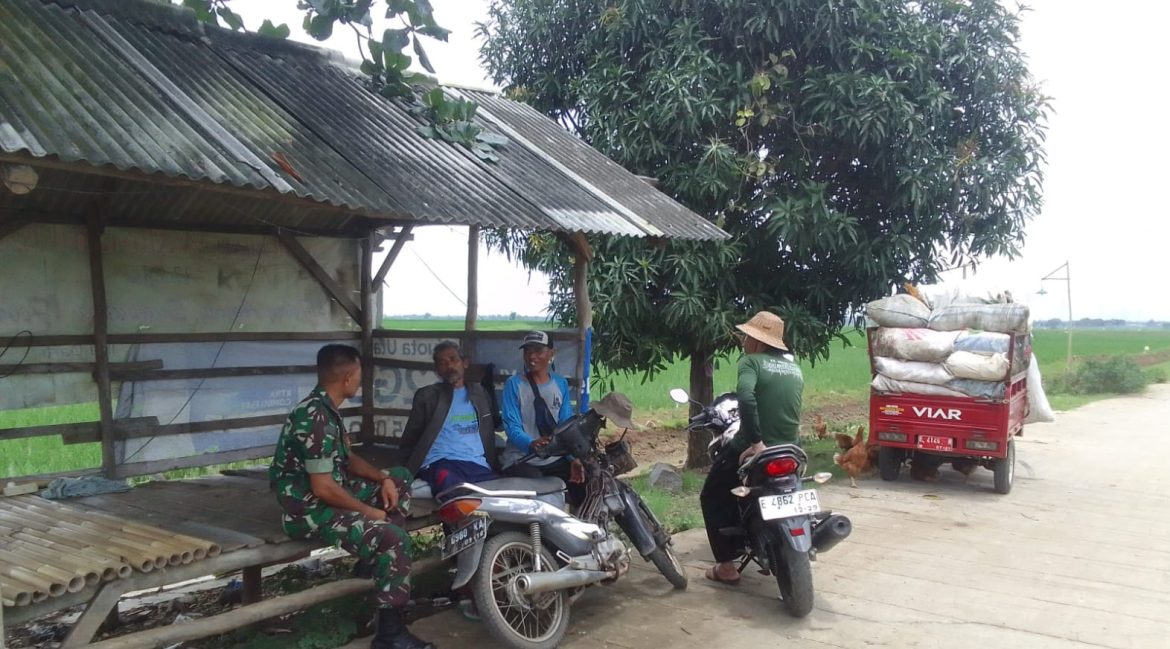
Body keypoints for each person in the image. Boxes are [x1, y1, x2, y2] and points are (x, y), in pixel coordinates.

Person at [269, 344, 434, 649]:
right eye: (359, 374)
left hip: (330, 494)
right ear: (347, 377)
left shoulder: (327, 409)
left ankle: (375, 562)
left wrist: (383, 479)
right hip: (308, 510)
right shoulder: (314, 417)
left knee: (400, 478)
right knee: (394, 539)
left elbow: (347, 460)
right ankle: (389, 636)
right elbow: (322, 488)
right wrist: (369, 512)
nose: (361, 379)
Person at [701, 311, 804, 586]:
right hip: (790, 446)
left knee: (712, 494)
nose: (743, 341)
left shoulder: (751, 362)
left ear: (758, 341)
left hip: (752, 445)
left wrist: (756, 443)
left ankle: (726, 566)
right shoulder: (793, 367)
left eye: (747, 336)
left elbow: (745, 398)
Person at [400, 341, 499, 493]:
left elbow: (492, 426)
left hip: (476, 463)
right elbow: (411, 437)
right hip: (440, 462)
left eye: (453, 359)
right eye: (442, 363)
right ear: (437, 370)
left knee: (497, 493)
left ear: (465, 363)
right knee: (453, 488)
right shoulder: (428, 396)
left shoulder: (480, 394)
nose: (449, 366)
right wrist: (404, 470)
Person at [499, 330, 585, 502]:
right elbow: (512, 427)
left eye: (538, 350)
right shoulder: (514, 384)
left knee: (583, 486)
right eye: (527, 351)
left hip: (552, 458)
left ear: (551, 354)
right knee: (540, 493)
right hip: (521, 459)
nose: (532, 356)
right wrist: (531, 443)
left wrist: (572, 459)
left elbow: (565, 427)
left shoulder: (560, 384)